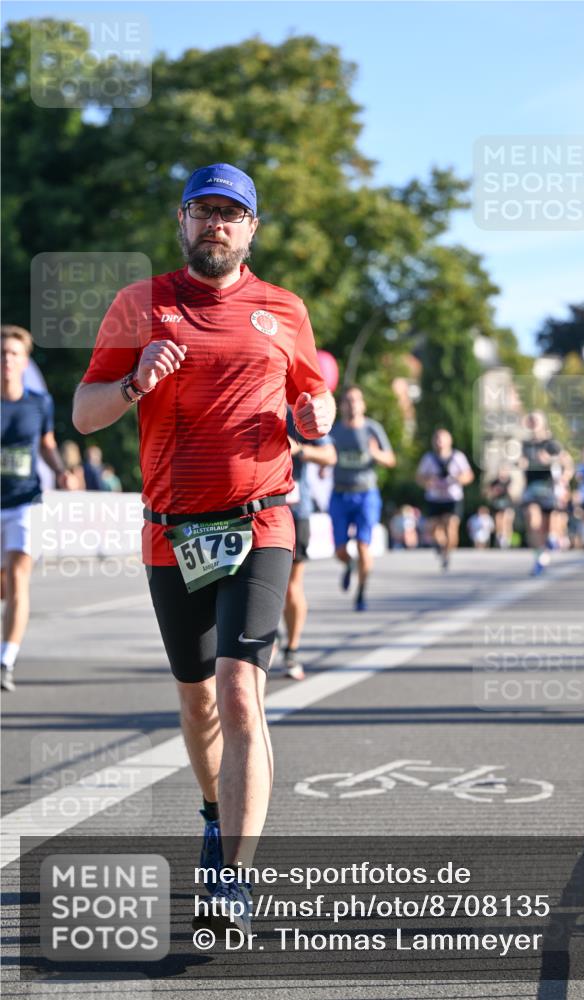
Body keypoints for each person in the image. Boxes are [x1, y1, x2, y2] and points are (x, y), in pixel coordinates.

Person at [72, 163, 335, 934]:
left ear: (252, 228)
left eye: (233, 212)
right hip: (171, 531)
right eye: (204, 210)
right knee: (196, 699)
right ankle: (214, 815)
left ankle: (233, 878)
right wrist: (132, 385)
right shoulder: (138, 304)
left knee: (238, 691)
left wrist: (315, 421)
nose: (217, 223)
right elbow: (85, 414)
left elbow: (308, 405)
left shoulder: (284, 310)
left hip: (260, 520)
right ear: (181, 221)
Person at [1, 325, 75, 691]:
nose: (6, 360)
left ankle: (5, 660)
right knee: (4, 584)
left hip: (24, 502)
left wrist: (61, 470)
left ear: (24, 361)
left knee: (17, 577)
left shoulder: (39, 403)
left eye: (13, 354)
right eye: (1, 354)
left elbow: (47, 443)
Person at [280, 408, 336, 680]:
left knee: (291, 586)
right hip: (250, 511)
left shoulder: (297, 412)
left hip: (294, 510)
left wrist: (299, 450)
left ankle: (291, 650)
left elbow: (330, 455)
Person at [329, 385, 395, 611]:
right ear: (341, 405)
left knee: (364, 547)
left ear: (363, 405)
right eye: (347, 400)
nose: (352, 404)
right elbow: (326, 455)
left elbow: (391, 459)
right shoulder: (335, 431)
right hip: (339, 493)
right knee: (339, 550)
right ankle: (349, 565)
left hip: (366, 494)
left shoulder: (372, 429)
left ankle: (361, 592)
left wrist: (376, 454)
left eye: (356, 400)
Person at [519, 411, 571, 575]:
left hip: (549, 489)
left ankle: (549, 547)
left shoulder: (551, 443)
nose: (533, 423)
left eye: (536, 420)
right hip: (532, 489)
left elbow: (568, 464)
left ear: (543, 424)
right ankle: (539, 558)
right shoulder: (525, 444)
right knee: (532, 521)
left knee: (549, 529)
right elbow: (521, 463)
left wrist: (563, 477)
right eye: (530, 420)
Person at [416, 428, 474, 570]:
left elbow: (469, 475)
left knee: (451, 526)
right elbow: (419, 477)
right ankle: (441, 547)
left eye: (442, 439)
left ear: (449, 441)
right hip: (434, 498)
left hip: (452, 498)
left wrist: (458, 479)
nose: (439, 442)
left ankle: (447, 554)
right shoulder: (428, 458)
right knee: (432, 530)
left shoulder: (457, 457)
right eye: (437, 439)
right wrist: (428, 482)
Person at [484, 465, 515, 549]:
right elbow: (488, 494)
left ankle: (507, 539)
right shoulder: (494, 482)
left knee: (507, 520)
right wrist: (494, 492)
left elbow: (514, 494)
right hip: (497, 504)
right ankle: (500, 537)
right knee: (498, 520)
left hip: (508, 504)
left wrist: (510, 491)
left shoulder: (510, 481)